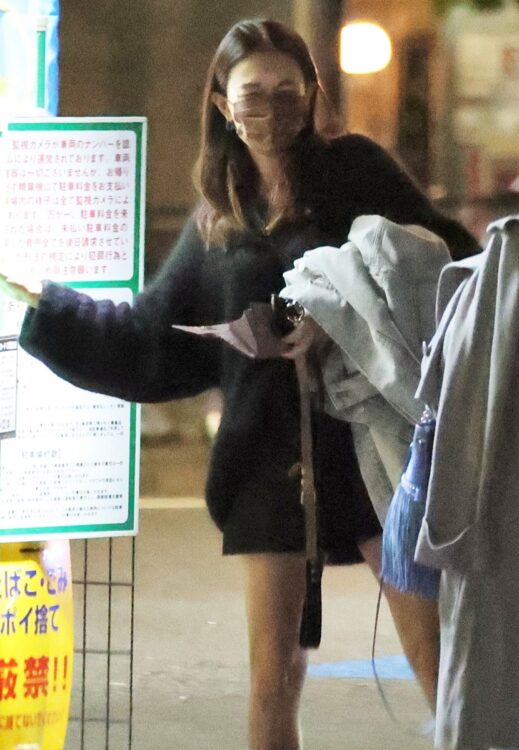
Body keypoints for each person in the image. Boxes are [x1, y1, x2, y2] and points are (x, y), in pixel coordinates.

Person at [0, 19, 480, 750]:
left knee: (438, 658)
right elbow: (151, 339)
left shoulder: (354, 169)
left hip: (371, 450)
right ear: (224, 104)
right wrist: (43, 302)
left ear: (311, 94)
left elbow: (446, 259)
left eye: (289, 91)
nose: (273, 109)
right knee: (270, 681)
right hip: (265, 461)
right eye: (254, 94)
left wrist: (340, 310)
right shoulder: (218, 219)